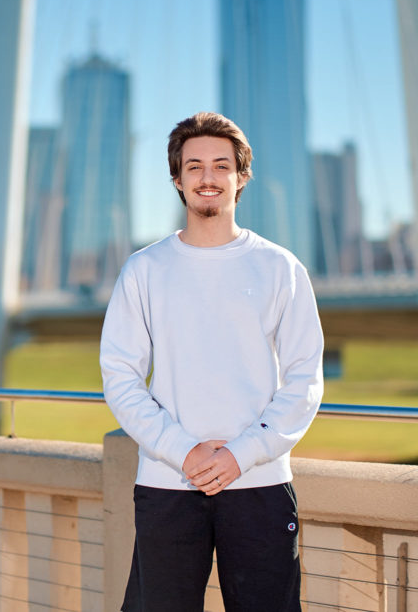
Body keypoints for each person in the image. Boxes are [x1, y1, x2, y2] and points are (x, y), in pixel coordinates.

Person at [100, 111, 324, 611]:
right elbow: (120, 377)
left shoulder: (280, 268)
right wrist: (184, 451)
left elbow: (305, 379)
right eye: (194, 165)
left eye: (221, 165)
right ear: (177, 179)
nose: (207, 177)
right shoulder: (144, 270)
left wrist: (239, 454)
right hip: (168, 482)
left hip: (258, 481)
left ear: (241, 177)